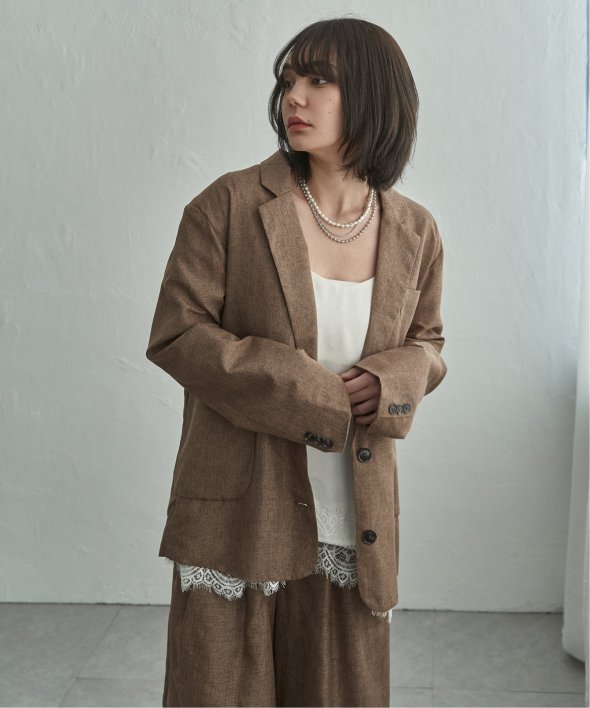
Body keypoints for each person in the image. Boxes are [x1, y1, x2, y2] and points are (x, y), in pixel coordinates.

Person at [146, 16, 447, 708]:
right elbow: (177, 333)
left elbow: (428, 342)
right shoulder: (228, 205)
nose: (295, 98)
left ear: (373, 95)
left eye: (319, 80)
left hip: (353, 514)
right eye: (288, 81)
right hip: (239, 507)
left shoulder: (416, 230)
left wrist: (391, 382)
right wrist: (309, 391)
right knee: (222, 688)